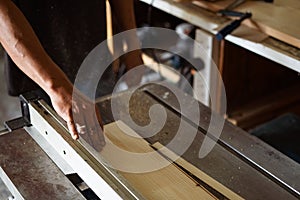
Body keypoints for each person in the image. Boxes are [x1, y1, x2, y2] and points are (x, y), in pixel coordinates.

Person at [0, 0, 143, 142]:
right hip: (38, 63)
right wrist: (56, 86)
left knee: (106, 138)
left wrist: (131, 40)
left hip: (93, 51)